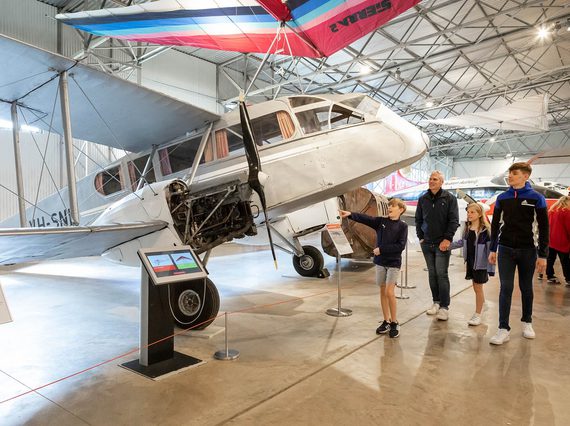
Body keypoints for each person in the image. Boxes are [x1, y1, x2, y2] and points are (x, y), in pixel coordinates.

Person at [488, 162, 548, 345]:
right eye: (510, 173)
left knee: (526, 287)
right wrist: (493, 249)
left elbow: (544, 228)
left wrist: (543, 255)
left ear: (525, 176)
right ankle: (503, 328)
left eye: (514, 173)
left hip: (528, 250)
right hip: (505, 249)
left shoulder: (537, 198)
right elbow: (495, 224)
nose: (510, 176)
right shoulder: (502, 198)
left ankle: (527, 321)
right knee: (505, 288)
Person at [339, 198, 408, 338]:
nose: (389, 208)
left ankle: (395, 322)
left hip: (393, 263)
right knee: (383, 291)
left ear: (401, 210)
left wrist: (381, 249)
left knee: (389, 292)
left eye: (393, 206)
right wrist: (350, 214)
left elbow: (400, 246)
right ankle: (386, 320)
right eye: (389, 206)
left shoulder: (403, 226)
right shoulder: (381, 222)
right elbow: (366, 219)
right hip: (381, 263)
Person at [415, 170, 459, 321]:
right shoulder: (423, 199)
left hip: (442, 244)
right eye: (430, 179)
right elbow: (418, 220)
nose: (431, 181)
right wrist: (421, 237)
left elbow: (454, 220)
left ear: (441, 182)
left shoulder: (449, 198)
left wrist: (447, 239)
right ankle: (436, 302)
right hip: (427, 243)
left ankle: (444, 307)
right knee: (432, 274)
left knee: (442, 274)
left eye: (435, 179)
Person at [450, 203, 495, 326]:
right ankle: (483, 304)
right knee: (476, 287)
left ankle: (478, 314)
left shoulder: (486, 231)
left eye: (472, 212)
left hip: (480, 264)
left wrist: (490, 266)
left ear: (480, 214)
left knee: (478, 288)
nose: (469, 214)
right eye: (468, 212)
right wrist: (448, 246)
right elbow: (461, 242)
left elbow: (491, 249)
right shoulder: (467, 228)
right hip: (470, 262)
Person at [543, 196, 570, 285]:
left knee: (550, 259)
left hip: (550, 239)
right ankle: (568, 278)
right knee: (565, 261)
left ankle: (550, 276)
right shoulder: (567, 212)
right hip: (562, 240)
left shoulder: (552, 211)